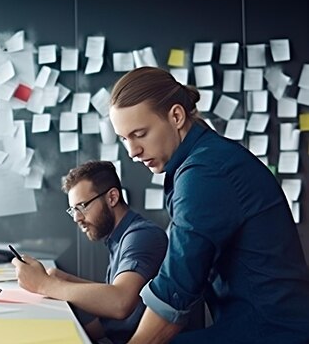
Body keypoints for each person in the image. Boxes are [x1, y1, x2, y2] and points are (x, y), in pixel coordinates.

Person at [108, 66, 309, 343]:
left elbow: (176, 287)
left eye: (140, 134)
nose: (132, 152)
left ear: (176, 116)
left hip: (271, 332)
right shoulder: (202, 159)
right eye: (124, 139)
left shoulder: (206, 171)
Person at [12, 160, 168, 344]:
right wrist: (64, 280)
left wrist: (43, 284)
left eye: (82, 206)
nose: (77, 218)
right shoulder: (119, 238)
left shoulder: (142, 236)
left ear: (112, 197)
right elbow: (111, 318)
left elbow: (120, 303)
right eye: (73, 210)